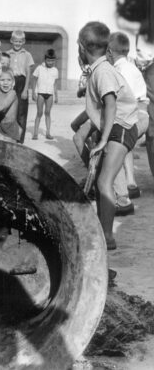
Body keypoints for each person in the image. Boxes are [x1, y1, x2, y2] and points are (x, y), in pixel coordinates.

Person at [78, 21, 138, 250]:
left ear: (82, 48)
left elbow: (110, 105)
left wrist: (103, 140)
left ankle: (107, 236)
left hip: (120, 128)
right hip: (115, 127)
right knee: (101, 182)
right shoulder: (98, 69)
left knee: (105, 182)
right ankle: (104, 232)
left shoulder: (102, 71)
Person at [107, 32, 149, 206]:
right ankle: (131, 183)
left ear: (109, 51)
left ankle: (122, 197)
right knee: (126, 145)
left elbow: (124, 101)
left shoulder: (120, 71)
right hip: (141, 115)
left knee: (114, 143)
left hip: (136, 115)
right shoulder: (130, 67)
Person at [7, 30, 34, 144]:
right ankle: (9, 136)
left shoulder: (27, 55)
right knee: (9, 110)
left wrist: (25, 89)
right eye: (15, 41)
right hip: (10, 82)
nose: (17, 43)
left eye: (20, 41)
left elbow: (28, 72)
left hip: (22, 82)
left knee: (21, 113)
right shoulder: (7, 54)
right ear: (11, 41)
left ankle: (20, 140)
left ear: (23, 42)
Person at [32, 49, 59, 140]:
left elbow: (55, 84)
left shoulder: (55, 70)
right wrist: (33, 92)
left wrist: (56, 95)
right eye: (48, 60)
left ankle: (48, 133)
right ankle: (35, 133)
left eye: (52, 61)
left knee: (47, 113)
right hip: (41, 93)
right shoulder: (39, 68)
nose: (50, 62)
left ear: (54, 60)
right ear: (45, 59)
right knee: (39, 113)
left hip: (50, 94)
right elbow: (34, 80)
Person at [0, 67, 20, 142]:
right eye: (2, 80)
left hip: (10, 128)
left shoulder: (12, 93)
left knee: (9, 150)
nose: (5, 83)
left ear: (13, 82)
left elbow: (1, 108)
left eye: (9, 80)